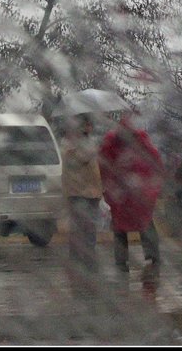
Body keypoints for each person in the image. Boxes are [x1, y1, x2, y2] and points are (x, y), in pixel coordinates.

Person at [98, 110, 163, 271]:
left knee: (123, 226)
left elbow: (104, 167)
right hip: (131, 194)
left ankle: (123, 259)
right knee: (142, 223)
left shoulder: (112, 142)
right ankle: (151, 256)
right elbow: (155, 163)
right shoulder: (138, 141)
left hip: (126, 194)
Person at [61, 114, 104, 271]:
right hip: (80, 192)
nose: (89, 128)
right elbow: (83, 158)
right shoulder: (73, 144)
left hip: (90, 192)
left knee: (87, 225)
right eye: (87, 125)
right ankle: (82, 256)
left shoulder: (83, 143)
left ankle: (83, 255)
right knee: (82, 226)